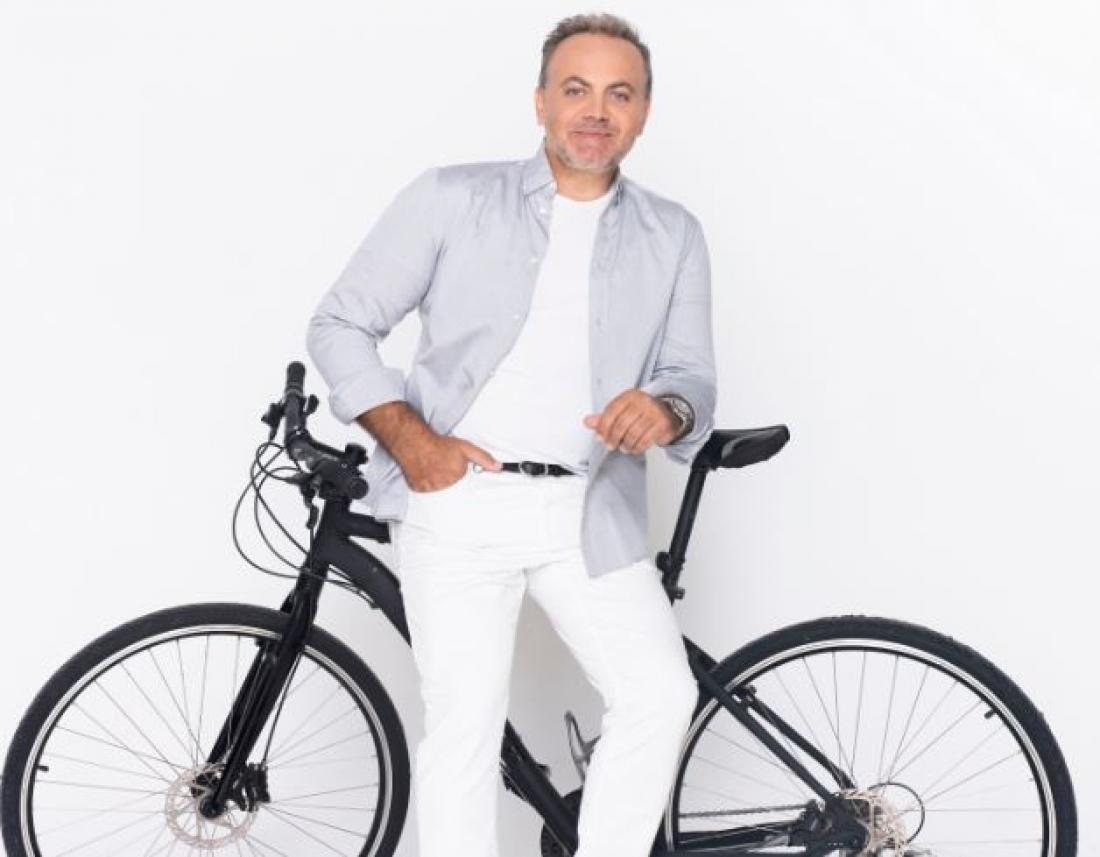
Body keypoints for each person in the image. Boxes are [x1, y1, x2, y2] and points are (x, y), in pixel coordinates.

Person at [306, 12, 717, 857]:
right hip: (459, 504)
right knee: (465, 727)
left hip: (589, 508)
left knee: (660, 695)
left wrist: (666, 410)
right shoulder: (450, 197)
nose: (595, 112)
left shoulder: (674, 234)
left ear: (644, 113)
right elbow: (340, 324)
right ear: (540, 102)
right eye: (576, 90)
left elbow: (691, 378)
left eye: (619, 94)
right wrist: (412, 441)